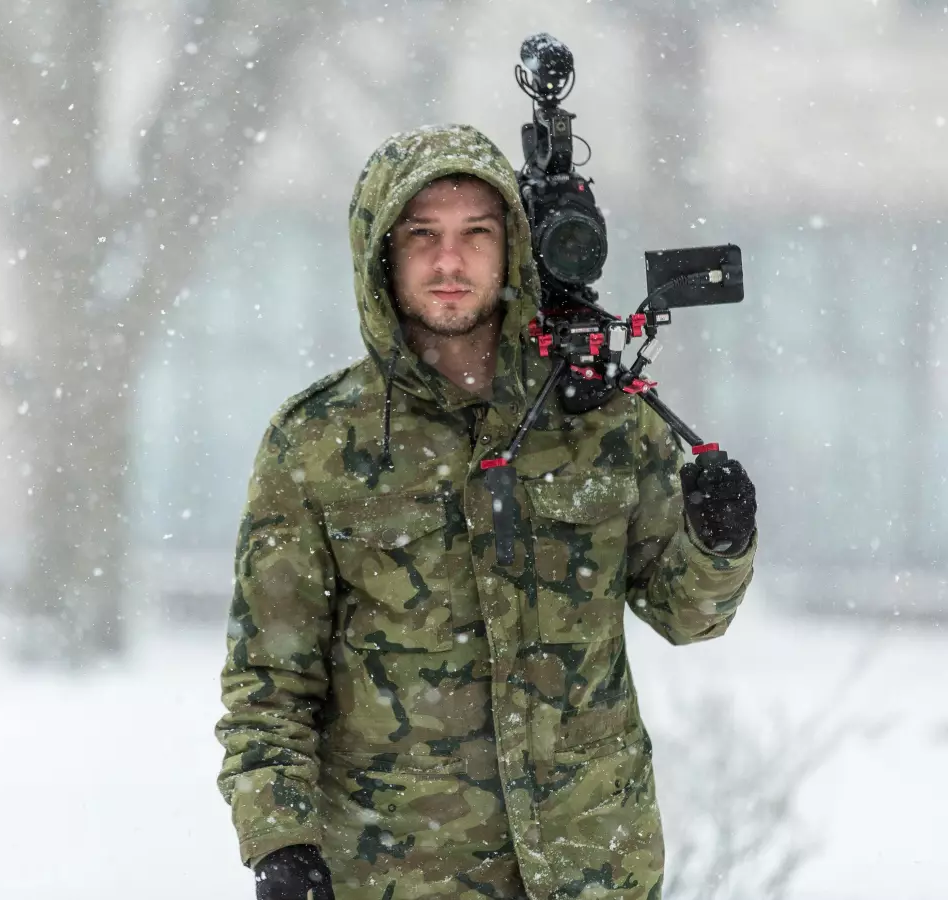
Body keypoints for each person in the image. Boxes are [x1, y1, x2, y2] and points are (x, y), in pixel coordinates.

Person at [216, 124, 757, 900]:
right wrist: (282, 842)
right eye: (422, 236)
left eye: (477, 233)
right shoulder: (318, 443)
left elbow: (687, 615)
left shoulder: (599, 421)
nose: (448, 262)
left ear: (513, 251)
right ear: (381, 253)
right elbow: (268, 681)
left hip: (592, 868)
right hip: (397, 874)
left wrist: (721, 540)